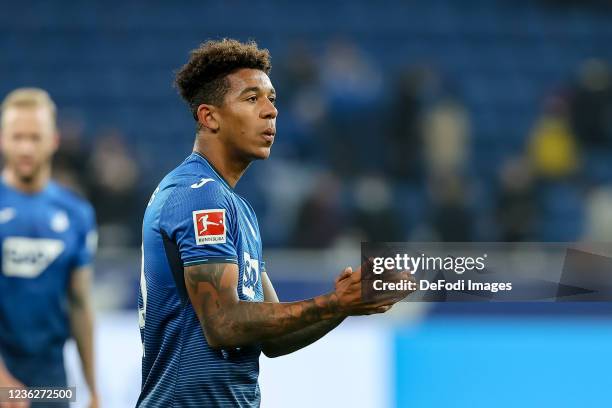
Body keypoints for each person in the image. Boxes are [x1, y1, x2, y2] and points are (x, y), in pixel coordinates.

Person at [137, 39, 410, 407]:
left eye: (272, 99)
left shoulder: (237, 208)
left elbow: (273, 341)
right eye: (252, 99)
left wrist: (346, 304)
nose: (270, 112)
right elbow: (223, 325)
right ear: (209, 116)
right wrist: (334, 300)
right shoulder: (198, 195)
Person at [0, 88, 99, 408]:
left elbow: (80, 302)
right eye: (17, 137)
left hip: (50, 376)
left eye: (35, 137)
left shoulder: (77, 213)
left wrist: (92, 387)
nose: (26, 147)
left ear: (53, 140)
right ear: (2, 139)